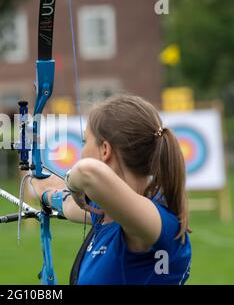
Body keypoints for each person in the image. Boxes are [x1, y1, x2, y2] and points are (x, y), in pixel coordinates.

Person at [31, 94, 192, 285]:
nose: (81, 151)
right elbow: (68, 204)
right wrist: (46, 193)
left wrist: (72, 184)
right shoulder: (105, 213)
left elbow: (87, 171)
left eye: (84, 142)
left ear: (105, 150)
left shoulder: (154, 222)